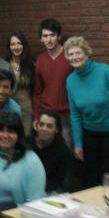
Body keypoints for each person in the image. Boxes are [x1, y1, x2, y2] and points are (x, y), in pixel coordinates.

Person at [64, 36, 109, 188]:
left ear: (87, 54)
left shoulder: (106, 72)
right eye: (70, 54)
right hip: (90, 132)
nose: (74, 57)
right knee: (90, 176)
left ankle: (108, 203)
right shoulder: (70, 81)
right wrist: (77, 143)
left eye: (78, 53)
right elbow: (75, 114)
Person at [34, 18, 73, 147]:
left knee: (66, 151)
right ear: (41, 39)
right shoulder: (40, 60)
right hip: (46, 114)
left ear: (59, 36)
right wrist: (37, 116)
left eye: (52, 35)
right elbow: (37, 92)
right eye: (45, 36)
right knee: (46, 150)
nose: (49, 39)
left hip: (67, 115)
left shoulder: (70, 57)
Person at [28, 110, 72, 193]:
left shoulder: (63, 152)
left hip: (48, 190)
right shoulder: (26, 144)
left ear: (56, 130)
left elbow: (58, 181)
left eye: (49, 126)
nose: (44, 129)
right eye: (41, 124)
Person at [4, 31, 36, 134]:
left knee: (25, 138)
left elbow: (35, 90)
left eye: (19, 43)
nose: (16, 47)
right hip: (8, 109)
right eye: (13, 44)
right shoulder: (4, 65)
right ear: (9, 47)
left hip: (26, 110)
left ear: (24, 45)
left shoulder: (31, 65)